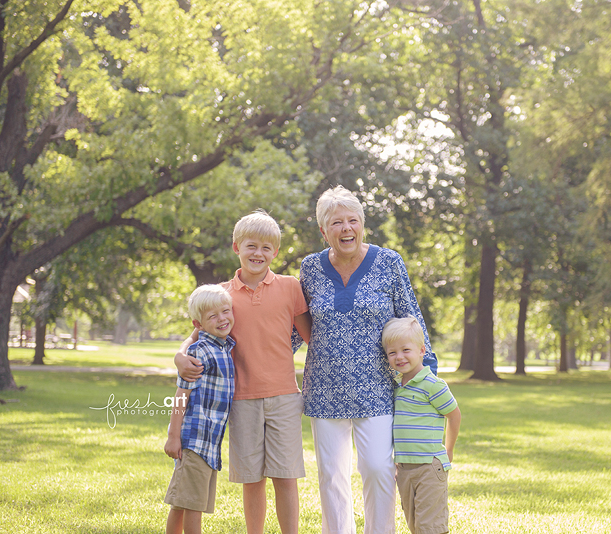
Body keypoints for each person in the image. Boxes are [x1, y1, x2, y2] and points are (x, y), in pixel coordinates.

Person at [297, 185, 438, 534]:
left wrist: (428, 370)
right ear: (323, 230)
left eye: (353, 220)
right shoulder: (311, 268)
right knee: (331, 475)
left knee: (377, 467)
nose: (346, 229)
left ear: (362, 224)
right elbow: (297, 325)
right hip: (325, 388)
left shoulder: (389, 263)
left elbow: (411, 317)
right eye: (336, 223)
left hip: (377, 386)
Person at [175, 210, 312, 534]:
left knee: (285, 476)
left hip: (284, 398)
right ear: (236, 247)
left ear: (275, 252)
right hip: (241, 401)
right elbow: (195, 335)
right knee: (252, 479)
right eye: (251, 246)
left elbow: (312, 339)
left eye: (266, 248)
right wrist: (179, 355)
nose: (258, 253)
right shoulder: (223, 295)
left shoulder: (290, 287)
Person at [164, 284, 236, 534]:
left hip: (208, 442)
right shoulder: (199, 352)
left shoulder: (225, 347)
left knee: (184, 502)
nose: (222, 319)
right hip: (194, 440)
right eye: (212, 316)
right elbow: (181, 396)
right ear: (199, 324)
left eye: (225, 311)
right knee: (191, 504)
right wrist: (173, 437)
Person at [382, 317, 461, 534]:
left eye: (406, 350)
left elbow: (454, 415)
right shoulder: (397, 386)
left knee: (430, 527)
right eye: (392, 352)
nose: (399, 357)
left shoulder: (433, 385)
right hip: (404, 468)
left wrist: (449, 449)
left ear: (422, 350)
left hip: (429, 466)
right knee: (415, 525)